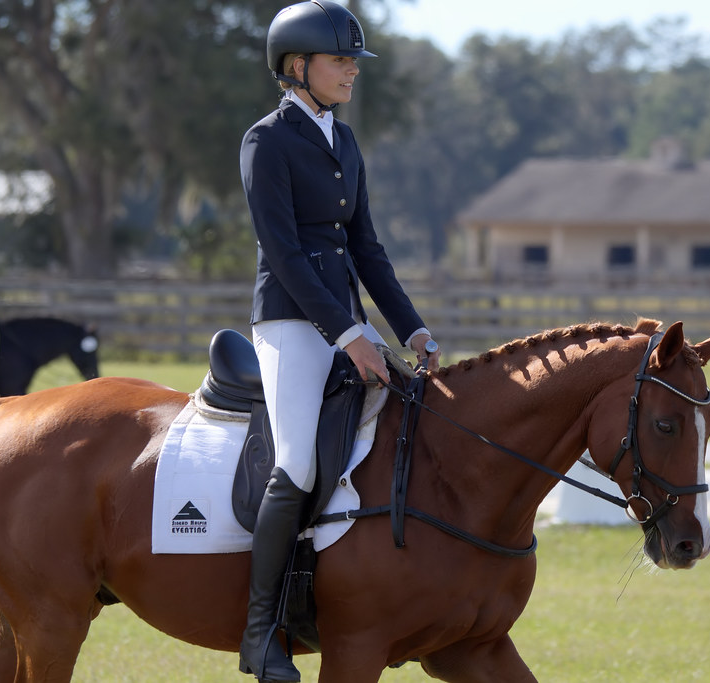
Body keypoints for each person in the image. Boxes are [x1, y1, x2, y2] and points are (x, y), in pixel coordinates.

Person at [237, 2, 440, 681]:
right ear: (298, 67)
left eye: (354, 59)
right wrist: (351, 333)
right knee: (295, 463)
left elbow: (367, 249)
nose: (353, 69)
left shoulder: (345, 142)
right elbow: (286, 254)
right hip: (291, 324)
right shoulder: (266, 141)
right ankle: (262, 633)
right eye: (339, 59)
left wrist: (409, 325)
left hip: (348, 324)